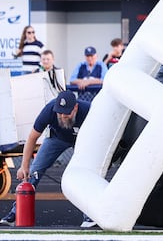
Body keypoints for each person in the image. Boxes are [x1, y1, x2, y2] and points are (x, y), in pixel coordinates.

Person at [0, 91, 93, 227]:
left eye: (66, 113)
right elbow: (32, 137)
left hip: (83, 140)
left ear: (76, 108)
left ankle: (90, 215)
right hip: (56, 138)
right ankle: (16, 213)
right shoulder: (49, 109)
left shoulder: (89, 110)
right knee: (34, 171)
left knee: (85, 173)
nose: (62, 116)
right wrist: (24, 166)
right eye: (60, 112)